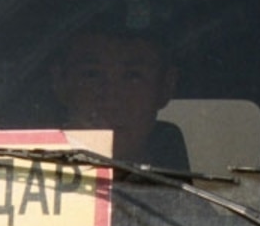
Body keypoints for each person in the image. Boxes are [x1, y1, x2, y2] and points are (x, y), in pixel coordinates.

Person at [48, 22, 189, 178]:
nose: (111, 100)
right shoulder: (22, 189)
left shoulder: (188, 200)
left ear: (165, 87)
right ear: (60, 82)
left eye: (132, 76)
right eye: (92, 74)